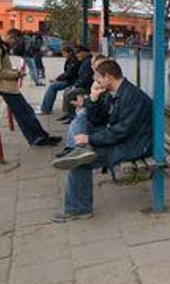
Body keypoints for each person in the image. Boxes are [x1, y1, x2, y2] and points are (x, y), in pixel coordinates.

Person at [50, 59, 152, 222]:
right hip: (125, 138)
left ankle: (79, 209)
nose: (95, 82)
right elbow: (98, 120)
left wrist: (90, 138)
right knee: (81, 120)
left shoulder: (132, 97)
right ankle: (77, 151)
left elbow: (121, 132)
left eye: (98, 79)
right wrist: (94, 98)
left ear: (108, 77)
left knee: (80, 163)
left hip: (136, 144)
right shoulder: (114, 92)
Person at [0, 29, 59, 147]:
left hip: (4, 85)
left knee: (24, 113)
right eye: (15, 41)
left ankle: (38, 137)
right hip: (3, 86)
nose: (15, 44)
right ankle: (38, 138)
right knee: (25, 113)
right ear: (11, 37)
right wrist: (16, 74)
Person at [57, 49, 97, 122]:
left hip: (86, 87)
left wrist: (76, 85)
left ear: (84, 53)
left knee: (70, 93)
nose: (77, 56)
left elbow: (85, 79)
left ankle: (72, 116)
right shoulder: (83, 61)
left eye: (78, 54)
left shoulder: (87, 63)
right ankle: (67, 113)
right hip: (82, 85)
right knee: (67, 91)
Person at [39, 46, 80, 114]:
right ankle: (44, 107)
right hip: (69, 79)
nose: (63, 55)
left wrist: (57, 79)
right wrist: (58, 78)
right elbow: (67, 73)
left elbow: (69, 74)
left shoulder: (73, 60)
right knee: (52, 86)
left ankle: (46, 108)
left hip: (71, 81)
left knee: (53, 87)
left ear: (69, 53)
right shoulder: (70, 59)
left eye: (64, 53)